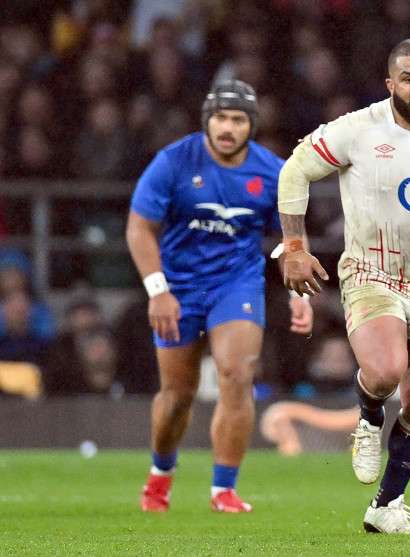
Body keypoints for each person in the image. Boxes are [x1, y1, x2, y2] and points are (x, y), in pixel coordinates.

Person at [276, 38, 410, 534]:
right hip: (372, 271)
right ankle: (370, 416)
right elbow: (295, 171)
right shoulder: (358, 129)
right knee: (385, 370)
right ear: (391, 84)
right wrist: (294, 246)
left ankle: (386, 504)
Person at [126, 80, 313, 513]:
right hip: (178, 287)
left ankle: (223, 489)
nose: (228, 128)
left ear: (252, 126)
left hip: (236, 285)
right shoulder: (174, 161)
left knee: (237, 374)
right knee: (177, 396)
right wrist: (157, 290)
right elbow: (139, 228)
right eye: (221, 118)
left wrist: (298, 293)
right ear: (207, 120)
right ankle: (160, 474)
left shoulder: (273, 172)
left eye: (238, 120)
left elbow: (291, 238)